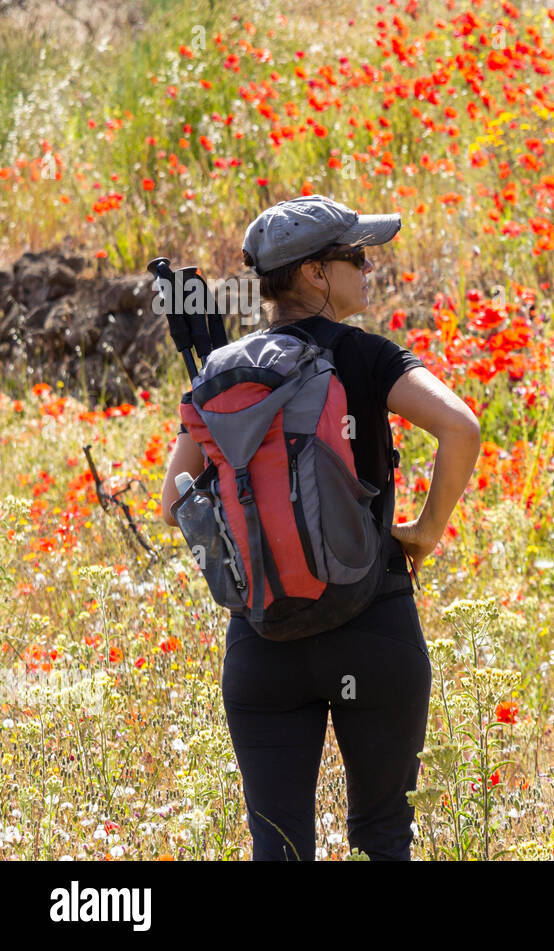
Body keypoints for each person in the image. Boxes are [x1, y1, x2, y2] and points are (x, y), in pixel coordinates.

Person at [158, 195, 481, 860]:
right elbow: (461, 427)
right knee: (382, 833)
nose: (368, 269)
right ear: (314, 273)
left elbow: (173, 501)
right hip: (372, 628)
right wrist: (422, 531)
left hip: (264, 642)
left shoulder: (224, 372)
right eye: (355, 258)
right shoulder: (365, 355)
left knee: (278, 846)